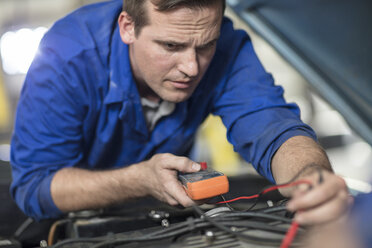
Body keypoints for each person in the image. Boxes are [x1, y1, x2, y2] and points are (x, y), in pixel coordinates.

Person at [10, 0, 349, 224]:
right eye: (171, 46)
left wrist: (311, 177)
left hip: (162, 215)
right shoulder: (67, 56)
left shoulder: (227, 47)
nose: (191, 67)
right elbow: (34, 186)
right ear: (128, 27)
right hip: (63, 223)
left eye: (205, 45)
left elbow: (273, 127)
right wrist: (137, 180)